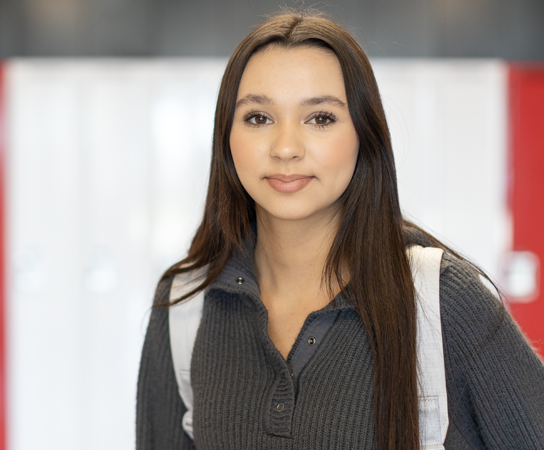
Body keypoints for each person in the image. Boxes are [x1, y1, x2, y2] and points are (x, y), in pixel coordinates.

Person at [136, 10, 544, 450]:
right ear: (226, 138)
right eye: (258, 118)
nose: (286, 148)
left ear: (363, 137)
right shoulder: (186, 305)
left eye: (321, 119)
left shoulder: (441, 299)